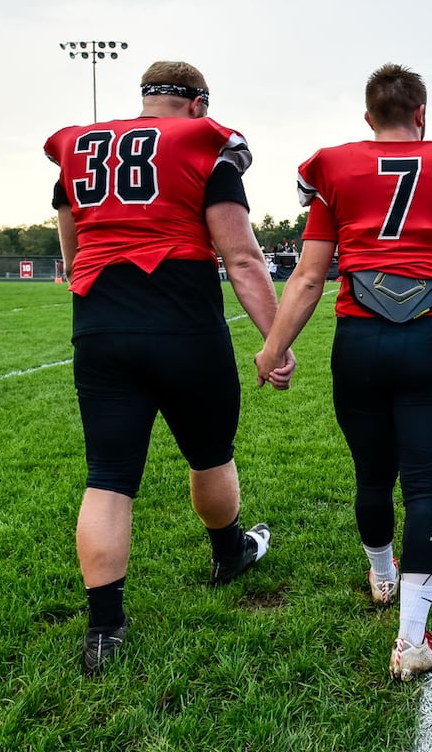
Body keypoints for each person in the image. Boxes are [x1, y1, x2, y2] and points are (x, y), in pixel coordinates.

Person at [253, 63, 432, 681]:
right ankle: (412, 640)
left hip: (360, 339)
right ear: (421, 114)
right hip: (429, 337)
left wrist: (273, 349)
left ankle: (381, 575)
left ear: (368, 119)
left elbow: (311, 276)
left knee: (372, 473)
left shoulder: (336, 169)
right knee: (426, 485)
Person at [45, 60, 294, 676]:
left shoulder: (80, 149)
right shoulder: (206, 149)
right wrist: (276, 339)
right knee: (210, 452)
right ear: (198, 104)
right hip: (183, 319)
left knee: (108, 475)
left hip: (100, 322)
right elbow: (240, 258)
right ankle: (228, 553)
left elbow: (73, 251)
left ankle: (105, 628)